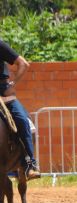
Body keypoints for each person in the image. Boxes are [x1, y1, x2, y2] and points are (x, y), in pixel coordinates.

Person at [0, 39, 40, 180]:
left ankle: (30, 164)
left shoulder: (1, 45)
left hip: (3, 93)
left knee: (22, 120)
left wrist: (12, 83)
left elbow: (23, 64)